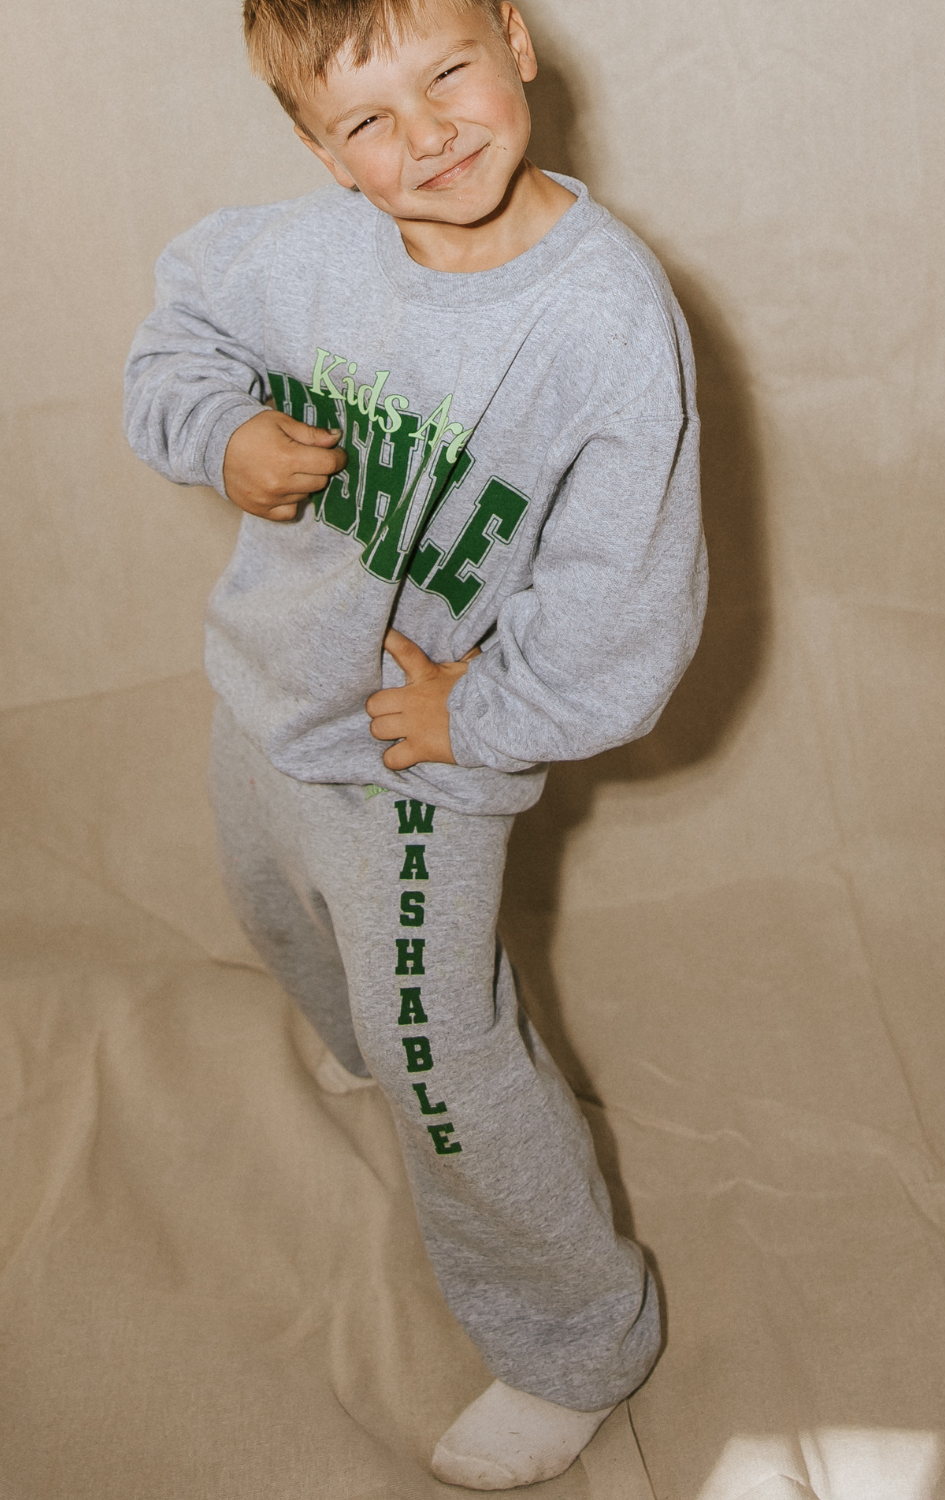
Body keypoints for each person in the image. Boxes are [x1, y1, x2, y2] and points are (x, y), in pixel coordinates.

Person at [124, 0, 706, 1486]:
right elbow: (178, 331)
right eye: (368, 120)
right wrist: (220, 433)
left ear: (514, 40)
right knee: (279, 920)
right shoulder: (299, 254)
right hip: (262, 702)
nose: (429, 135)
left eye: (447, 72)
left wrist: (481, 717)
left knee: (451, 1057)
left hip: (417, 768)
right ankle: (378, 1055)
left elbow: (625, 615)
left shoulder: (607, 315)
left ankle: (577, 1340)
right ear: (320, 149)